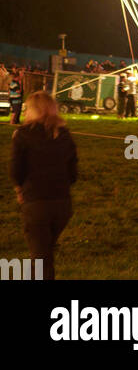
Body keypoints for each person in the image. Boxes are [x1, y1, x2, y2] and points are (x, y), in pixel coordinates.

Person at [9, 90, 78, 280]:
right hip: (63, 205)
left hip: (36, 203)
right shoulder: (64, 134)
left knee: (40, 258)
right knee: (44, 255)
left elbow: (16, 170)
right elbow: (73, 173)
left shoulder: (22, 134)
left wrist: (19, 190)